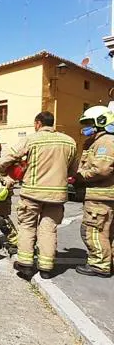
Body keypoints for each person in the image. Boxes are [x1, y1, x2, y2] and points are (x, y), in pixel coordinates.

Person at [0, 112, 78, 279]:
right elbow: (73, 171)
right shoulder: (69, 141)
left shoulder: (32, 139)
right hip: (57, 196)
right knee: (48, 229)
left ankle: (26, 266)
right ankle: (46, 269)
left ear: (38, 123)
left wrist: (3, 171)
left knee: (27, 227)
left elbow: (8, 157)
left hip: (32, 193)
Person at [72, 106, 114, 278]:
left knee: (92, 230)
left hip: (101, 196)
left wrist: (79, 176)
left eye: (89, 123)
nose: (85, 128)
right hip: (104, 196)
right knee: (107, 232)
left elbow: (102, 169)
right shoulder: (97, 141)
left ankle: (99, 265)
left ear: (101, 122)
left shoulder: (106, 142)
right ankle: (107, 262)